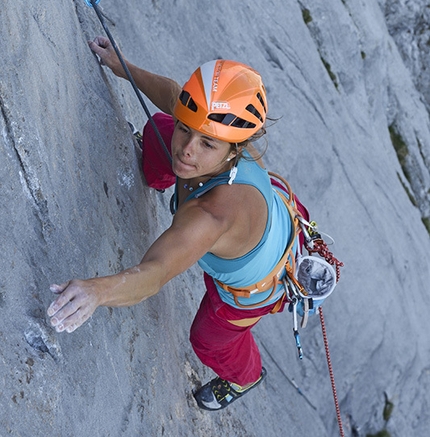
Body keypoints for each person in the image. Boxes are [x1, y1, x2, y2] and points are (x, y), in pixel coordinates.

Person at [47, 36, 308, 411]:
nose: (188, 148)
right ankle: (156, 175)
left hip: (252, 286)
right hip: (274, 212)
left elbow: (153, 274)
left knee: (208, 339)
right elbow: (172, 95)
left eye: (207, 145)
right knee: (160, 131)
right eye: (188, 130)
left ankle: (245, 377)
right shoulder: (219, 128)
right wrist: (122, 66)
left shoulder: (212, 216)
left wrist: (96, 292)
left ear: (234, 150)